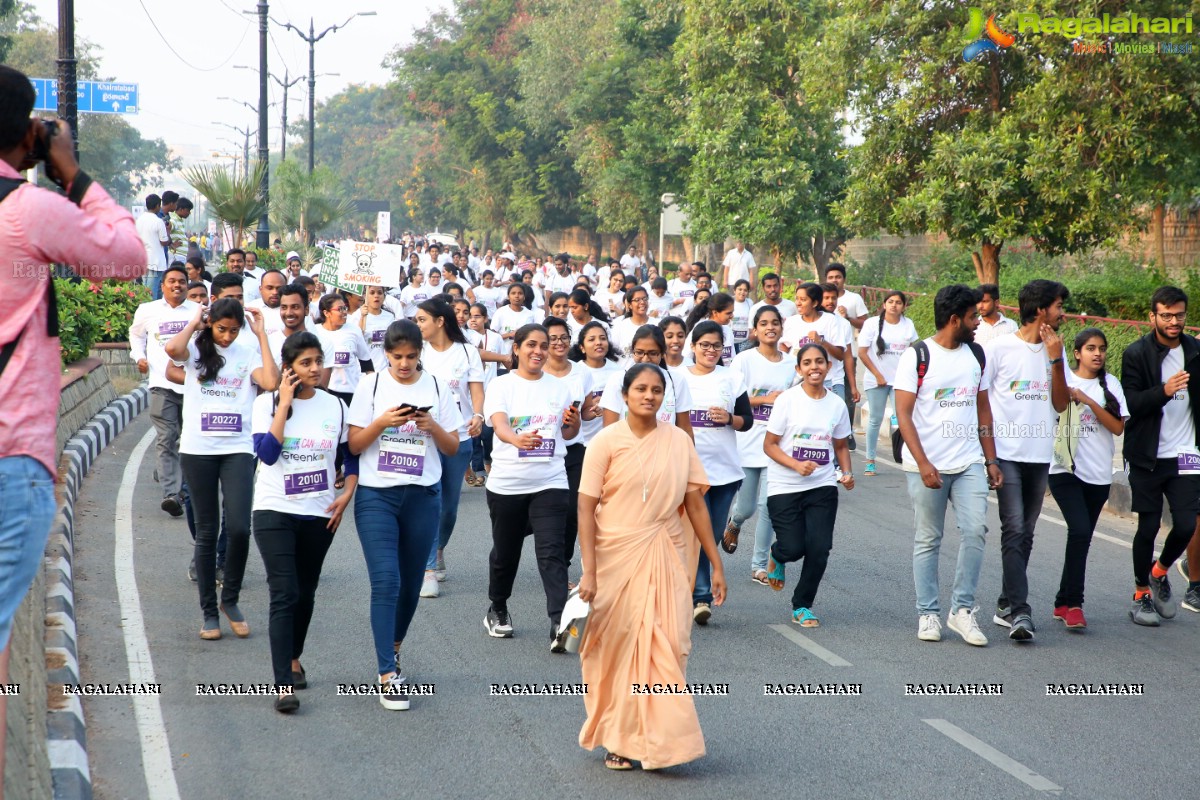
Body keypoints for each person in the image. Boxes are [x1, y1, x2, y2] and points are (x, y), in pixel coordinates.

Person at [0, 73, 146, 781]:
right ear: (26, 133)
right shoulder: (27, 209)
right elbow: (127, 257)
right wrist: (71, 171)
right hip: (10, 458)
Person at [576, 363, 725, 771]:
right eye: (640, 388)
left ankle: (659, 739)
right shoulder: (604, 442)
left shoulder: (678, 440)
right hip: (614, 556)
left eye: (657, 390)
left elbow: (695, 503)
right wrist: (588, 571)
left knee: (671, 645)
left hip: (667, 552)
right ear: (625, 395)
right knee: (618, 647)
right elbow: (586, 509)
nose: (649, 395)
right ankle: (620, 739)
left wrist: (715, 563)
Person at [347, 319, 462, 708]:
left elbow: (451, 448)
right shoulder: (372, 385)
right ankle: (386, 674)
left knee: (411, 585)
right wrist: (383, 421)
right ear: (386, 355)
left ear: (420, 354)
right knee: (386, 581)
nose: (404, 364)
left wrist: (430, 425)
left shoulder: (435, 387)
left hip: (422, 496)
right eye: (397, 357)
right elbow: (355, 444)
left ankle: (394, 649)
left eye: (411, 356)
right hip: (377, 495)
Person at [251, 332, 357, 713]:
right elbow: (267, 453)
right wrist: (284, 404)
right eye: (306, 363)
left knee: (306, 591)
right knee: (284, 592)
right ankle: (283, 685)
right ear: (288, 369)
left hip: (319, 512)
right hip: (274, 509)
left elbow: (351, 454)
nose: (315, 369)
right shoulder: (265, 403)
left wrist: (348, 493)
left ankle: (295, 656)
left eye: (318, 361)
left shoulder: (336, 406)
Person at [894, 284, 1003, 647]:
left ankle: (962, 611)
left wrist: (991, 459)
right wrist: (923, 462)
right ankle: (928, 613)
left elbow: (983, 407)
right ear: (955, 319)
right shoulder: (917, 356)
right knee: (929, 539)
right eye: (973, 316)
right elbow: (904, 415)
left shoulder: (977, 354)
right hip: (926, 466)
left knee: (975, 532)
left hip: (969, 460)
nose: (977, 322)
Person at [165, 299, 279, 640]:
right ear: (210, 323)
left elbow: (271, 382)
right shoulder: (196, 352)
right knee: (206, 532)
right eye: (221, 329)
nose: (227, 336)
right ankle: (209, 612)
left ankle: (230, 599)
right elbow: (172, 347)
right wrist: (196, 320)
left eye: (233, 329)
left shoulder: (247, 350)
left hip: (237, 450)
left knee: (241, 528)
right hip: (198, 450)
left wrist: (261, 336)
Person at [482, 324, 582, 647]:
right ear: (517, 349)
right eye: (531, 345)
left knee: (551, 551)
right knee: (506, 553)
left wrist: (575, 422)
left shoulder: (560, 388)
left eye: (544, 345)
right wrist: (516, 438)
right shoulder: (501, 385)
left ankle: (559, 621)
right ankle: (497, 607)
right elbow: (498, 424)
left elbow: (566, 435)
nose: (538, 351)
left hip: (550, 480)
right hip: (507, 483)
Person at [986, 279, 1069, 641]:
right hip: (1006, 453)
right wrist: (987, 453)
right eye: (1058, 306)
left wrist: (1055, 359)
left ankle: (1006, 601)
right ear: (1040, 310)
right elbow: (982, 400)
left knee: (1027, 533)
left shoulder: (1057, 349)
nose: (1062, 312)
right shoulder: (999, 348)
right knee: (1015, 529)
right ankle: (1021, 612)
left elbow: (1061, 403)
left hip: (1039, 456)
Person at [1120, 285, 1200, 627]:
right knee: (1149, 526)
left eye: (1179, 314)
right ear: (1152, 316)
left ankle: (1160, 570)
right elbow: (1131, 405)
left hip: (1186, 454)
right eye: (1166, 315)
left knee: (1185, 524)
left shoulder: (1195, 351)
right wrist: (1164, 392)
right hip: (1148, 455)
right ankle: (1141, 594)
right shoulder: (1136, 354)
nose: (1174, 321)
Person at [761, 342, 854, 627]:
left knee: (819, 547)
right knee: (793, 548)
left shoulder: (837, 404)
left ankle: (802, 605)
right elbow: (770, 445)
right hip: (784, 486)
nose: (815, 367)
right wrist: (796, 465)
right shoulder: (787, 400)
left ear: (828, 366)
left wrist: (847, 473)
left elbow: (840, 446)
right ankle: (777, 555)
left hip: (822, 485)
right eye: (808, 363)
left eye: (820, 362)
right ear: (799, 368)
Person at [1047, 329, 1128, 630]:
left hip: (1097, 477)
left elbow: (1117, 428)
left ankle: (1060, 601)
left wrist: (1089, 401)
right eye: (1091, 348)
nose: (1098, 354)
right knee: (1079, 531)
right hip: (1065, 471)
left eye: (1102, 349)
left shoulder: (1111, 385)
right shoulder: (1064, 378)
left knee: (1081, 538)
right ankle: (1075, 605)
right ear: (1077, 352)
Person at [682, 321, 752, 624]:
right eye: (704, 345)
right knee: (698, 534)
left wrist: (728, 418)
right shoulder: (678, 378)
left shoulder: (732, 378)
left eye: (716, 346)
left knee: (709, 532)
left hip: (725, 472)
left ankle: (695, 587)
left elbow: (747, 421)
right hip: (689, 471)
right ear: (693, 346)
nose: (711, 351)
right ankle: (700, 596)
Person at [415, 298, 485, 595]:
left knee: (449, 508)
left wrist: (478, 415)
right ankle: (428, 567)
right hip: (425, 438)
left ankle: (439, 547)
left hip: (460, 438)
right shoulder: (418, 354)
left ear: (440, 321)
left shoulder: (467, 352)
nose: (418, 326)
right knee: (430, 500)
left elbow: (477, 391)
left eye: (422, 320)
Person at [727, 306, 795, 585]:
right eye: (764, 323)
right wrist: (765, 400)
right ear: (755, 330)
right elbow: (731, 400)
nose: (770, 327)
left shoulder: (791, 364)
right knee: (746, 508)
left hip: (774, 445)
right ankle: (734, 523)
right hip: (745, 442)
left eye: (775, 323)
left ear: (781, 327)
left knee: (768, 505)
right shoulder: (743, 360)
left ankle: (759, 565)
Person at [129, 263, 197, 516]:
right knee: (167, 438)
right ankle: (172, 494)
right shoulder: (147, 310)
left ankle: (181, 484)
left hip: (192, 387)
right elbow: (136, 335)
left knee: (187, 440)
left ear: (187, 286)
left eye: (182, 281)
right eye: (172, 281)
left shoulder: (198, 312)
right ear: (162, 285)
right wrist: (139, 358)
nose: (177, 285)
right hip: (161, 385)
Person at [543, 316, 601, 575]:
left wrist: (593, 411)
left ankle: (561, 566)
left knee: (571, 512)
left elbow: (586, 411)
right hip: (541, 450)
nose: (559, 343)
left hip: (574, 450)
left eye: (563, 338)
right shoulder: (536, 371)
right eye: (552, 338)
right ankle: (547, 553)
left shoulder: (582, 371)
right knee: (541, 513)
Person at [856, 291, 919, 476]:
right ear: (884, 304)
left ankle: (908, 457)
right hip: (876, 381)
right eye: (890, 301)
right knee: (875, 419)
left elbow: (912, 352)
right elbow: (862, 352)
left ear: (904, 306)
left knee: (904, 418)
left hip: (900, 381)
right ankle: (870, 460)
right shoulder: (872, 324)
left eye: (898, 302)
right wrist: (878, 375)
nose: (894, 305)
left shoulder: (908, 325)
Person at [601, 325, 694, 436]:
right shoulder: (618, 380)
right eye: (639, 352)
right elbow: (609, 431)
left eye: (652, 353)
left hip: (665, 450)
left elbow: (685, 428)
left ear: (662, 353)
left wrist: (689, 453)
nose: (645, 359)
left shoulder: (676, 381)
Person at [314, 294, 373, 408]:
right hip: (324, 391)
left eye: (345, 308)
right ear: (326, 313)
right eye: (339, 309)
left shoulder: (354, 331)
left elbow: (366, 362)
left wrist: (372, 387)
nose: (344, 312)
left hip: (349, 392)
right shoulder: (315, 331)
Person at [350, 286, 396, 373]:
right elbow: (356, 341)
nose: (376, 296)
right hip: (363, 370)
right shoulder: (356, 316)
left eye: (379, 293)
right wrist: (362, 317)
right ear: (365, 296)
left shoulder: (389, 317)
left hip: (384, 369)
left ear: (384, 296)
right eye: (372, 293)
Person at [684, 292, 738, 366]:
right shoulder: (700, 328)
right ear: (715, 312)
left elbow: (732, 358)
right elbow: (686, 356)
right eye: (728, 313)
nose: (732, 316)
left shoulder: (728, 330)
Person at [137, 193, 170, 299]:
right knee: (152, 292)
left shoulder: (139, 220)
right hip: (156, 261)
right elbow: (164, 241)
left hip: (143, 260)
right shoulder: (158, 221)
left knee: (145, 290)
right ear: (157, 206)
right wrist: (168, 231)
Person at [490, 282, 537, 358]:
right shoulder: (500, 312)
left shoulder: (530, 314)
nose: (517, 296)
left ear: (524, 297)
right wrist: (509, 334)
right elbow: (492, 337)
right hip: (503, 357)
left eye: (520, 293)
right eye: (513, 293)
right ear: (508, 296)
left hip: (524, 357)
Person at [822, 263, 869, 331]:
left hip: (847, 341)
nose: (834, 280)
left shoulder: (855, 298)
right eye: (830, 277)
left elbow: (865, 324)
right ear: (826, 280)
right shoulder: (819, 298)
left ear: (844, 279)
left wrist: (847, 318)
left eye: (838, 277)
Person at [610, 286, 652, 356]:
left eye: (644, 298)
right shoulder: (620, 326)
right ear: (629, 305)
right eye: (637, 300)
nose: (642, 302)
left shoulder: (657, 324)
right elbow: (613, 352)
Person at [731, 279, 753, 351]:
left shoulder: (750, 303)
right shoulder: (729, 301)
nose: (742, 292)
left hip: (745, 341)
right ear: (734, 290)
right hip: (730, 340)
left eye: (745, 290)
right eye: (740, 289)